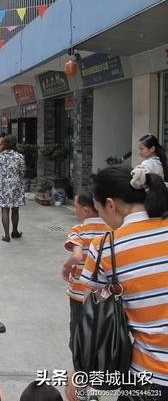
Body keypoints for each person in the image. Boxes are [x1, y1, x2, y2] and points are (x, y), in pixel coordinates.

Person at [78, 166, 168, 401]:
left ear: (110, 204)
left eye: (99, 211)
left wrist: (79, 375)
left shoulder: (105, 247)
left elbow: (91, 323)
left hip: (151, 378)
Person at [60, 193, 109, 360]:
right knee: (100, 330)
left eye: (76, 206)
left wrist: (66, 267)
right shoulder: (112, 230)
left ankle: (80, 366)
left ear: (86, 210)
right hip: (104, 294)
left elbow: (77, 256)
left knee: (79, 330)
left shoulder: (79, 230)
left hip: (80, 293)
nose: (75, 210)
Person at [0, 135, 25, 242]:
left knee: (4, 209)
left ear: (4, 144)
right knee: (15, 209)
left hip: (2, 185)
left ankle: (6, 235)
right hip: (16, 185)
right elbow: (22, 172)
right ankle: (15, 231)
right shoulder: (19, 156)